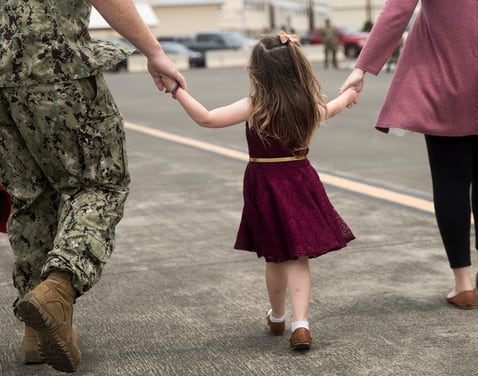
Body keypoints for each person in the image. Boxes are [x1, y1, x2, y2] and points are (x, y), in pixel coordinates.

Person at [0, 0, 185, 372]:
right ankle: (59, 287)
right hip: (57, 70)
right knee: (101, 184)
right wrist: (154, 51)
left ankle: (36, 335)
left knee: (32, 198)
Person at [161, 31, 358, 350]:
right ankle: (301, 324)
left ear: (257, 72)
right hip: (300, 179)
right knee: (299, 255)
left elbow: (207, 119)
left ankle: (278, 317)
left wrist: (175, 90)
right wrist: (349, 96)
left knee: (275, 255)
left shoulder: (256, 105)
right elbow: (332, 108)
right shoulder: (306, 104)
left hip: (264, 183)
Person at [339, 0, 478, 310]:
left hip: (442, 82)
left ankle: (463, 284)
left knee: (450, 183)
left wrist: (362, 69)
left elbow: (396, 12)